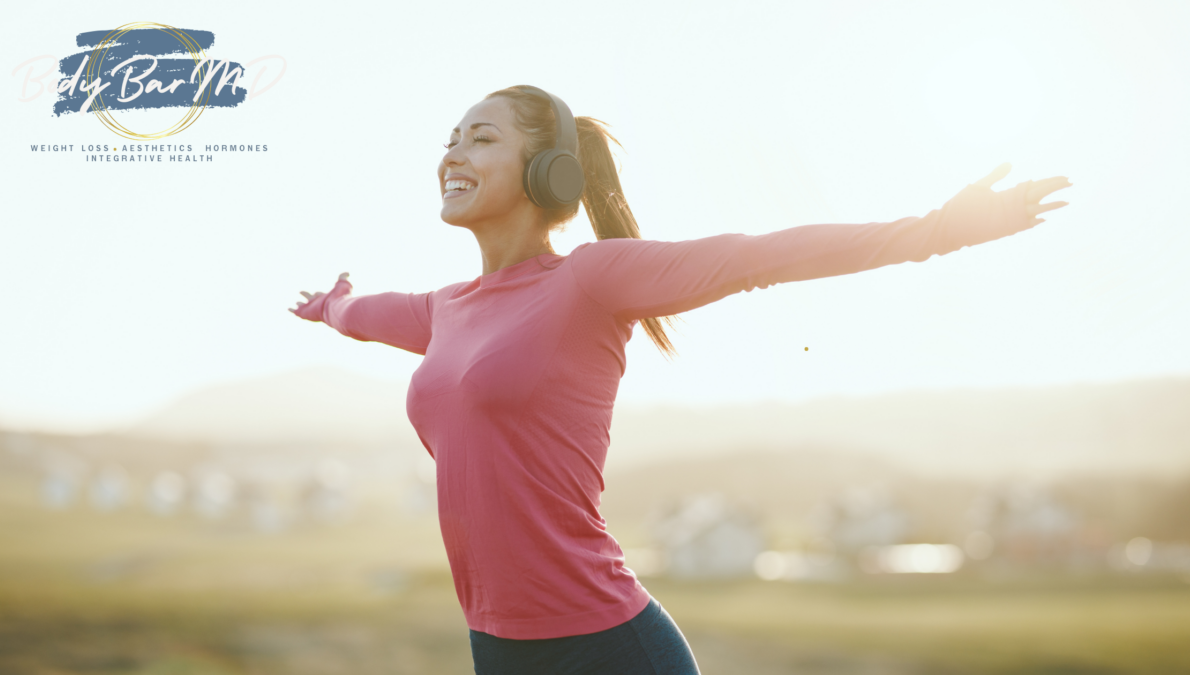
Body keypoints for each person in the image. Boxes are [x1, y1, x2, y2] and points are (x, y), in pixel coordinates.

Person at [290, 84, 1071, 674]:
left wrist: (935, 232)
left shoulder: (591, 279)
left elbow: (758, 256)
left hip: (607, 645)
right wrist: (332, 303)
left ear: (549, 172)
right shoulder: (442, 310)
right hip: (495, 643)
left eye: (481, 138)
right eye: (451, 138)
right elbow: (361, 311)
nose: (452, 153)